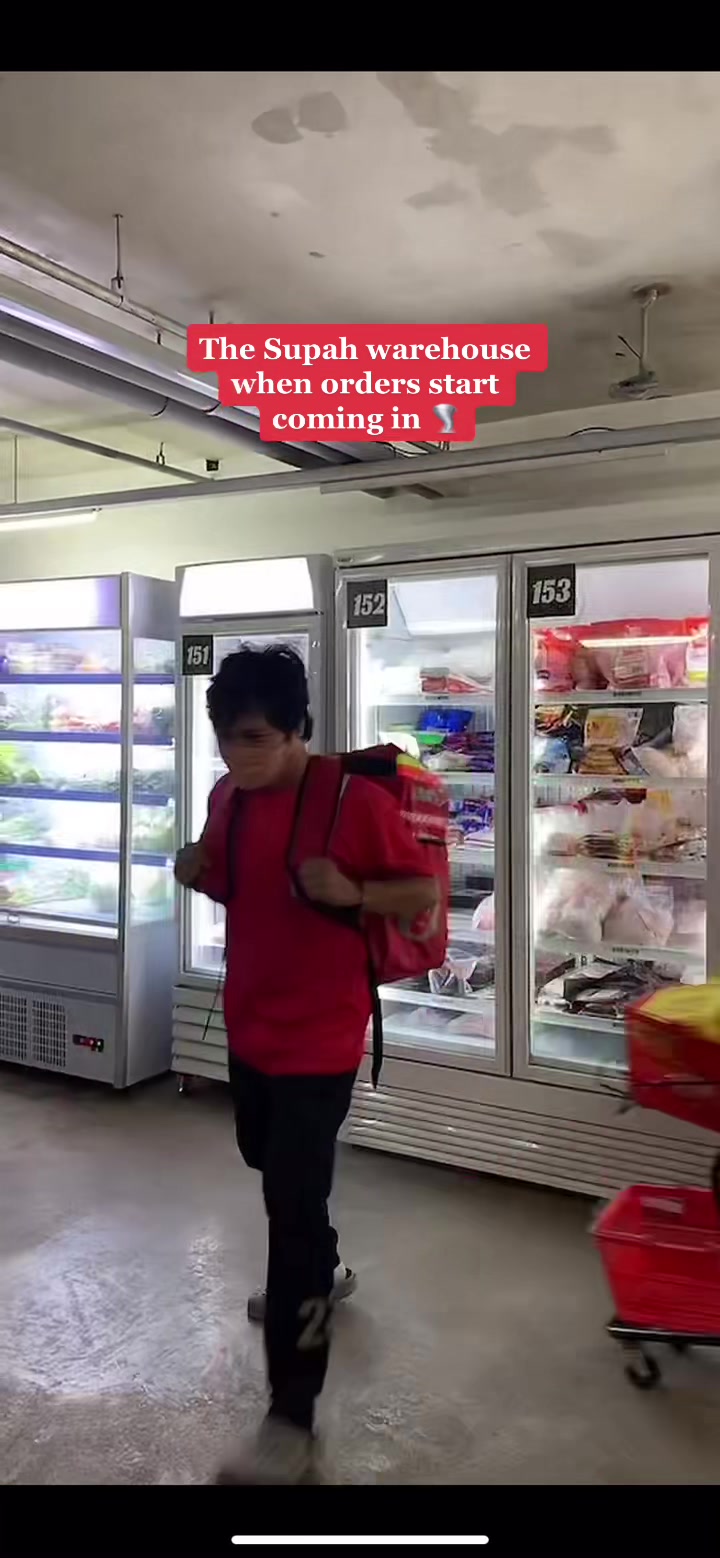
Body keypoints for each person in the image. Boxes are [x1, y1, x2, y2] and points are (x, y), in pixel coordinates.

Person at [175, 645, 437, 1485]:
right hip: (249, 1025)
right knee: (269, 1167)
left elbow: (422, 893)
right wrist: (197, 871)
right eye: (226, 738)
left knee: (289, 1212)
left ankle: (292, 1415)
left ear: (297, 730)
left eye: (254, 737)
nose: (237, 754)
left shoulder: (354, 803)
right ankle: (321, 1264)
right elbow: (237, 883)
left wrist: (356, 893)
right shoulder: (228, 797)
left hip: (321, 1038)